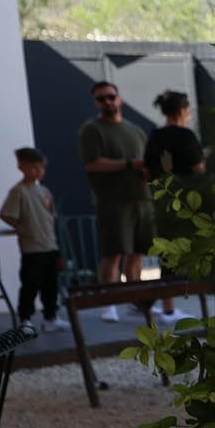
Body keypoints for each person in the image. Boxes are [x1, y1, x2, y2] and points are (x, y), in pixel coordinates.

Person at [78, 80, 150, 323]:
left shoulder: (136, 130)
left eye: (110, 97)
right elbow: (92, 163)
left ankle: (135, 299)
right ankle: (108, 304)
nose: (107, 102)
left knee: (138, 253)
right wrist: (130, 164)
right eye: (101, 98)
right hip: (112, 201)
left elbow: (146, 162)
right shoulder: (92, 130)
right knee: (113, 254)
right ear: (96, 102)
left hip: (141, 199)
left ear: (119, 99)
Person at [141, 89, 207, 322]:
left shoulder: (155, 136)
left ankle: (167, 306)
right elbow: (199, 169)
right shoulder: (186, 136)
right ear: (182, 110)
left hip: (162, 201)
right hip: (188, 201)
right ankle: (206, 302)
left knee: (166, 253)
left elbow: (147, 171)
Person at [0, 147, 65, 333]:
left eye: (40, 167)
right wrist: (21, 227)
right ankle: (25, 319)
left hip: (50, 246)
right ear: (22, 167)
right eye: (32, 167)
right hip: (32, 248)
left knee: (50, 284)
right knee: (30, 284)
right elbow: (6, 214)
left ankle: (50, 316)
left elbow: (51, 216)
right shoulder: (18, 191)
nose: (37, 171)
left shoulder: (44, 190)